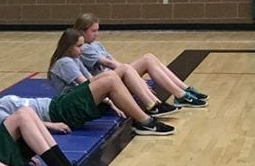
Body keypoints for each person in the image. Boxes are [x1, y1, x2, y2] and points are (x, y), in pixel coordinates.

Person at [0, 75, 174, 138]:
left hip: (58, 105)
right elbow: (15, 126)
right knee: (108, 81)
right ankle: (145, 121)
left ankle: (145, 111)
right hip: (58, 112)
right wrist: (52, 126)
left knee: (108, 76)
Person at [48, 28, 184, 127]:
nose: (82, 50)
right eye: (78, 46)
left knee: (122, 70)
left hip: (82, 99)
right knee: (121, 70)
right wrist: (112, 101)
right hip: (75, 104)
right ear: (68, 46)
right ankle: (152, 105)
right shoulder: (64, 62)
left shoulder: (74, 59)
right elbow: (85, 86)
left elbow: (90, 79)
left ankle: (154, 104)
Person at [74, 13, 208, 108]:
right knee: (146, 60)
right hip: (107, 81)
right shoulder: (84, 47)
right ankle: (180, 95)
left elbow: (113, 60)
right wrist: (133, 75)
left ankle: (184, 89)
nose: (96, 34)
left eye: (97, 30)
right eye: (93, 31)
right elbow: (109, 64)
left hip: (116, 75)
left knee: (149, 57)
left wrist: (132, 75)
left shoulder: (96, 44)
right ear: (82, 31)